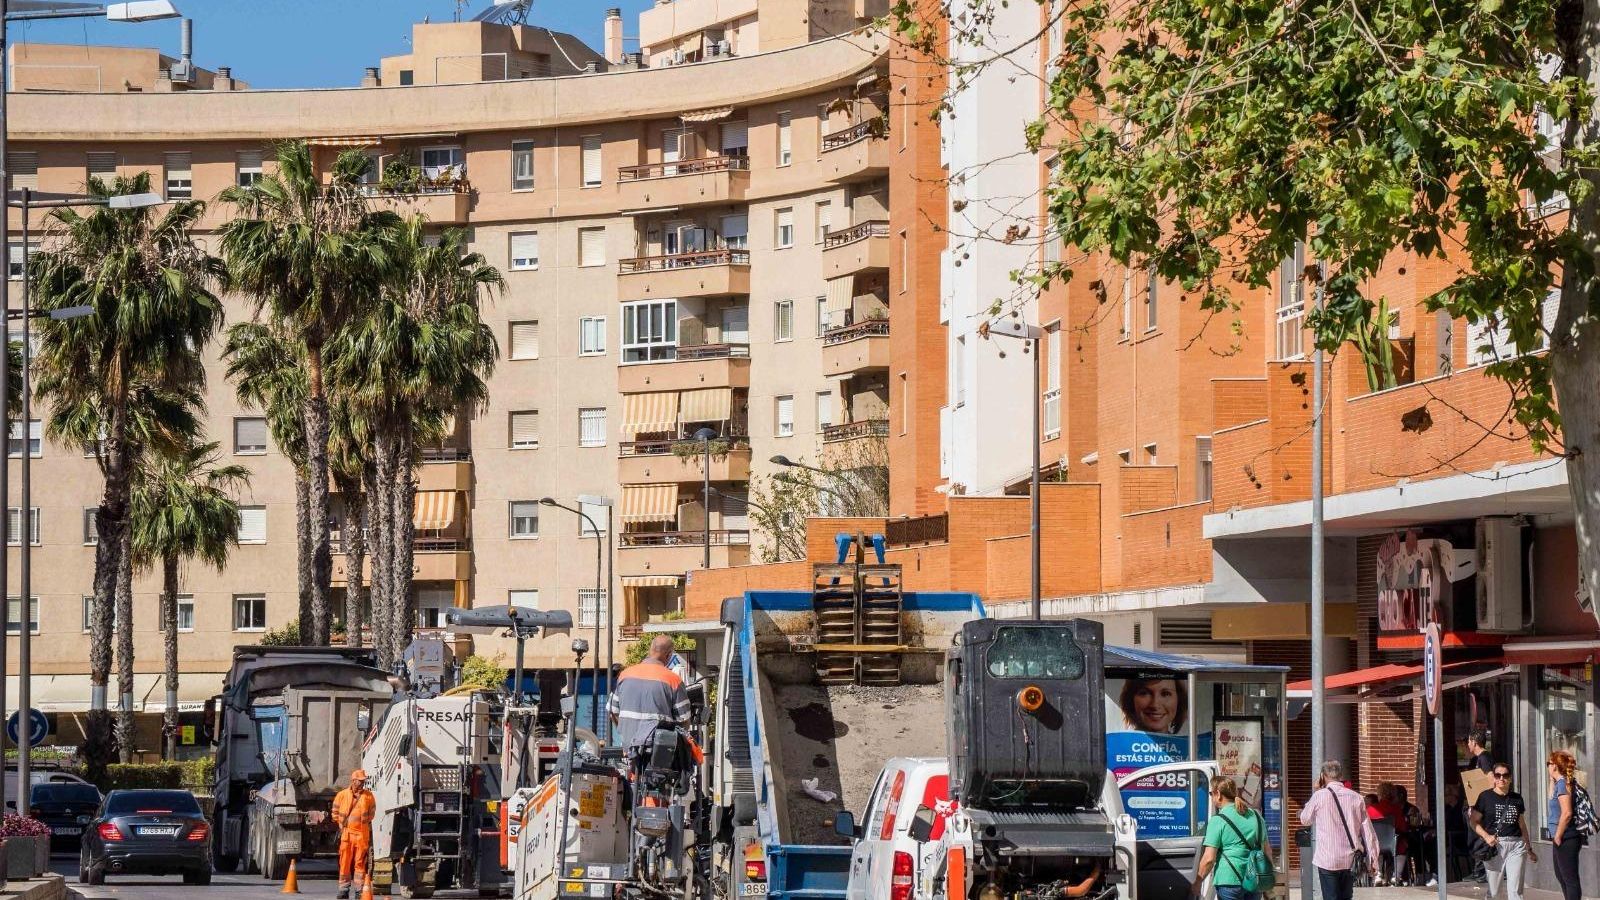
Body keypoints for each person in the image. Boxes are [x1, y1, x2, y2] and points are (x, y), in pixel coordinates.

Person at [1299, 760, 1379, 900]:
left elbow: (1305, 819)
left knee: (1330, 896)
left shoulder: (1319, 796)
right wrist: (1372, 858)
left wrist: (1316, 791)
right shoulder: (1357, 797)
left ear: (1323, 776)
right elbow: (1368, 831)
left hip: (1327, 858)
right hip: (1350, 859)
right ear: (1341, 775)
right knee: (1346, 897)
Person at [1193, 776, 1274, 900]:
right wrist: (1266, 876)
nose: (1211, 797)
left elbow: (1209, 859)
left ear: (1218, 794)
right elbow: (1267, 851)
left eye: (1211, 794)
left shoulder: (1218, 820)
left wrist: (1198, 881)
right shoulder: (1257, 817)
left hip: (1228, 881)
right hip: (1254, 880)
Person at [608, 634, 692, 752]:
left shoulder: (624, 675)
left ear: (650, 650)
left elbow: (613, 712)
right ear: (668, 655)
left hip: (630, 750)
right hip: (659, 753)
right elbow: (684, 720)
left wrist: (625, 735)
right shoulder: (673, 680)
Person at [1472, 761, 1537, 900]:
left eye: (1505, 775)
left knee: (1515, 891)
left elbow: (1522, 824)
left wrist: (1529, 848)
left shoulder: (1517, 798)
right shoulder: (1485, 797)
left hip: (1516, 845)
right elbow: (1473, 821)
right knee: (1494, 892)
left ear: (1511, 778)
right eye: (1498, 775)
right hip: (1494, 845)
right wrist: (1486, 836)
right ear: (1494, 777)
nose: (1502, 778)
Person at [332, 768, 376, 900]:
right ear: (353, 781)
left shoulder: (368, 796)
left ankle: (359, 890)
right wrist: (341, 824)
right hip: (347, 834)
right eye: (360, 781)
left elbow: (372, 814)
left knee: (360, 863)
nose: (362, 783)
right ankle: (343, 889)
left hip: (361, 835)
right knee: (344, 862)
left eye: (363, 781)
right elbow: (335, 812)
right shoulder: (342, 795)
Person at [1547, 750, 1585, 900]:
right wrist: (1552, 778)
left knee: (1570, 879)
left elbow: (1567, 813)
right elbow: (1551, 797)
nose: (1547, 767)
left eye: (1548, 764)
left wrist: (1557, 836)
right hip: (1563, 837)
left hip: (1565, 837)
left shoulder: (1563, 784)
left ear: (1555, 766)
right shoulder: (1560, 783)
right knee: (1561, 875)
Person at [1118, 677, 1187, 733]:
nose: (1155, 705)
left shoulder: (1190, 748)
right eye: (1144, 693)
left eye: (1165, 694)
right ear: (1130, 700)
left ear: (1179, 700)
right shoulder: (1115, 747)